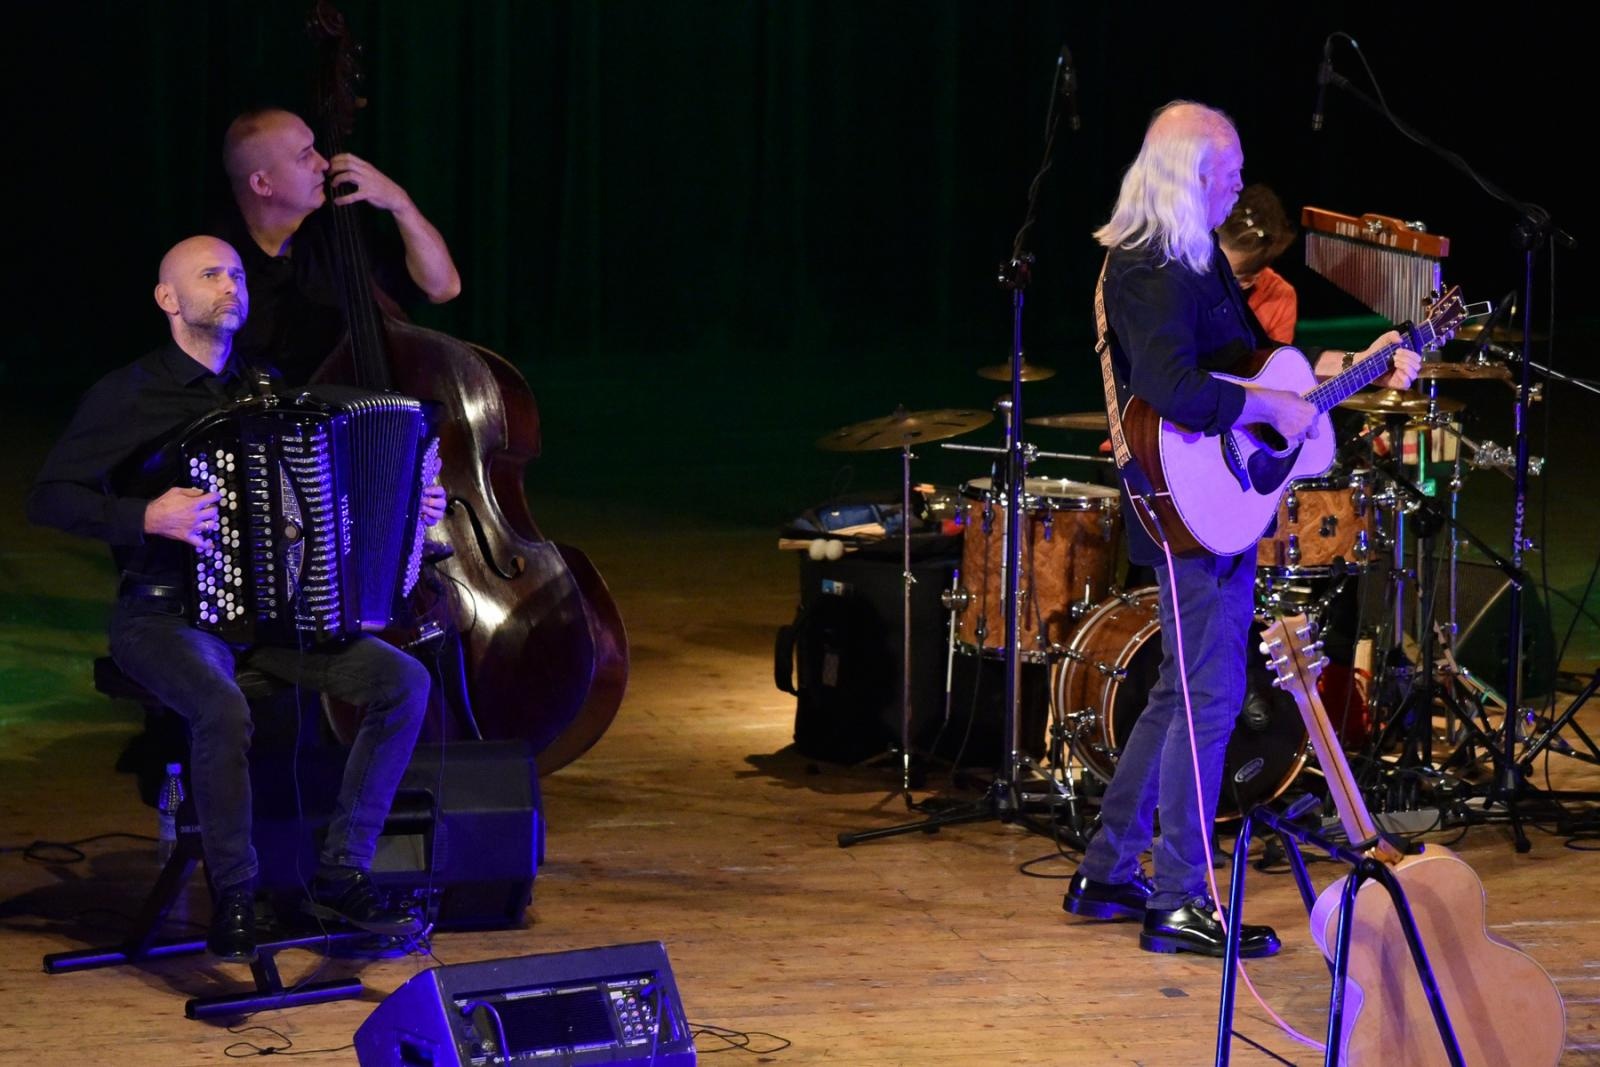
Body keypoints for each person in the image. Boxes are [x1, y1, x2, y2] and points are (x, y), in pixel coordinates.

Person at [27, 236, 448, 963]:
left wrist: (414, 502)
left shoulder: (268, 387)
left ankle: (340, 871)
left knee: (401, 681)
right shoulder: (129, 392)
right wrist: (144, 516)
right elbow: (49, 497)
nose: (231, 285)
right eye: (211, 274)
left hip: (268, 620)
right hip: (162, 613)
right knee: (222, 705)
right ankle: (237, 897)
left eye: (238, 274)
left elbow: (324, 500)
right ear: (169, 299)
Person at [1061, 102, 1419, 957]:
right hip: (1181, 505)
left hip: (1214, 500)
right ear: (1189, 173)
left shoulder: (1201, 261)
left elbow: (1267, 367)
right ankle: (1181, 897)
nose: (1240, 191)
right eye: (1227, 175)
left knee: (1179, 692)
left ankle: (1110, 869)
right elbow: (1179, 390)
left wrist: (1361, 362)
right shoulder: (1146, 264)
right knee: (1213, 695)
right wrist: (1268, 401)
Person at [216, 108, 462, 384]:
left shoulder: (337, 230)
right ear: (262, 183)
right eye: (304, 155)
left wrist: (400, 204)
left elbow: (444, 287)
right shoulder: (218, 259)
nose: (323, 163)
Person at [1218, 183, 1299, 344]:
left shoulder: (1281, 297)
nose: (1209, 274)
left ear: (1247, 281)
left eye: (1223, 272)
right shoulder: (1182, 275)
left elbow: (1274, 365)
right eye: (1212, 260)